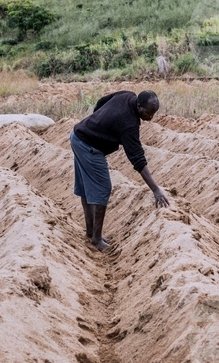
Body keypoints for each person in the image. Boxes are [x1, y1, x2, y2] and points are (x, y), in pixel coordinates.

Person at [71, 90, 169, 251]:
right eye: (149, 113)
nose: (151, 117)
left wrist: (98, 121)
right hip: (88, 146)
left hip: (78, 135)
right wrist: (155, 189)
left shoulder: (126, 95)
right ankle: (96, 239)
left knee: (85, 186)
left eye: (154, 113)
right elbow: (137, 159)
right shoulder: (129, 124)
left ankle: (90, 231)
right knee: (103, 188)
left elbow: (102, 101)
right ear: (139, 106)